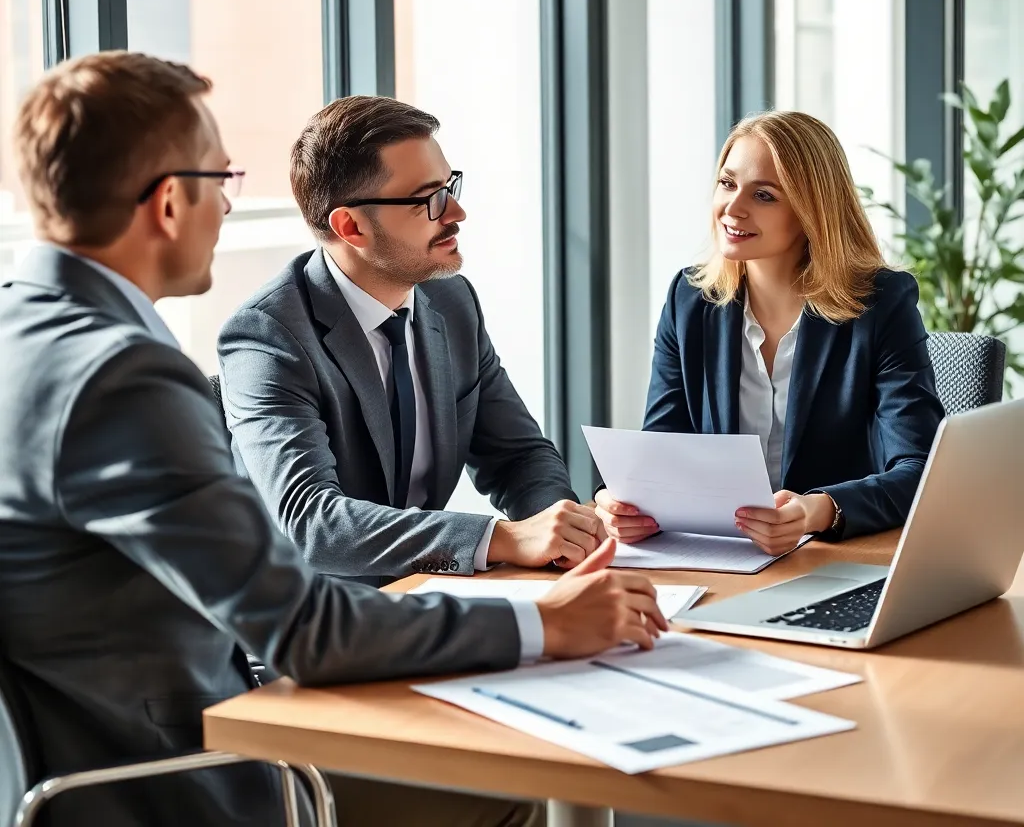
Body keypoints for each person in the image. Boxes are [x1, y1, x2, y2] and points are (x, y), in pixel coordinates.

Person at [0, 52, 666, 827]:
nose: (228, 209)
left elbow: (516, 453)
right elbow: (301, 625)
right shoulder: (125, 375)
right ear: (172, 203)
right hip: (184, 772)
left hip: (88, 762)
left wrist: (556, 543)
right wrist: (545, 624)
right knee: (517, 787)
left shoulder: (27, 333)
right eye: (223, 183)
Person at [218, 95, 602, 584]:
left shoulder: (451, 301)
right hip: (314, 619)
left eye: (450, 186)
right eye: (429, 199)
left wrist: (560, 533)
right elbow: (313, 526)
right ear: (350, 226)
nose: (456, 212)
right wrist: (501, 539)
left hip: (426, 594)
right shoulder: (268, 336)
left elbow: (518, 456)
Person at [596, 110, 945, 554]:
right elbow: (663, 452)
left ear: (811, 212)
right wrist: (626, 502)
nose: (733, 208)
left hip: (836, 558)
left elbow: (919, 469)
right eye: (727, 183)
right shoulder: (690, 301)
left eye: (764, 195)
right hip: (719, 558)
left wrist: (819, 510)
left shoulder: (881, 304)